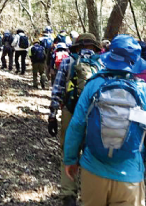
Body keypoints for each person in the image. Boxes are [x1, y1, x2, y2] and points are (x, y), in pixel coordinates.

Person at [64, 35, 146, 206]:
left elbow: (76, 125)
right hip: (130, 176)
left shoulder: (93, 85)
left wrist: (70, 159)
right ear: (135, 62)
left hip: (93, 169)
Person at [48, 33, 102, 206]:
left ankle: (68, 194)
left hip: (70, 111)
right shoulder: (102, 64)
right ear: (94, 47)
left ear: (77, 46)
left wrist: (52, 114)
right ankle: (88, 193)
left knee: (68, 151)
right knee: (90, 152)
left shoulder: (68, 61)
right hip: (94, 114)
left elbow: (57, 89)